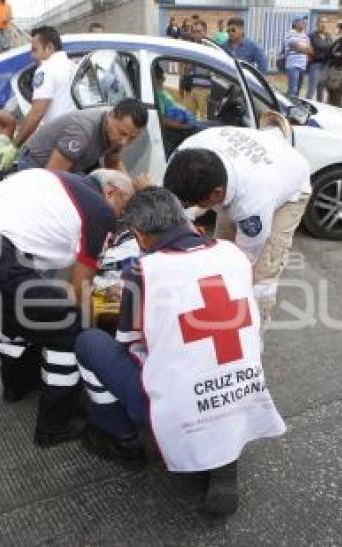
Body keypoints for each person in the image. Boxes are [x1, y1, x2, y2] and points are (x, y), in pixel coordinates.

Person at [74, 187, 286, 516]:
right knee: (209, 359)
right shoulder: (233, 254)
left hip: (181, 405)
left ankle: (123, 438)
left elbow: (130, 345)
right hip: (243, 389)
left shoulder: (142, 273)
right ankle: (222, 460)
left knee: (89, 343)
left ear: (140, 236)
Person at [0, 168, 134, 446]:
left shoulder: (56, 179)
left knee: (15, 316)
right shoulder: (99, 208)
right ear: (112, 192)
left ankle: (18, 385)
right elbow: (80, 289)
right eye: (124, 206)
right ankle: (55, 424)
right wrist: (92, 336)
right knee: (68, 326)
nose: (120, 218)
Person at [164, 126, 312, 321]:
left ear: (217, 194)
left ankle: (252, 333)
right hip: (250, 164)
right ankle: (216, 312)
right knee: (219, 254)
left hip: (290, 184)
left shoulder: (253, 206)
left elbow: (243, 260)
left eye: (195, 202)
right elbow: (170, 206)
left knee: (258, 275)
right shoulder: (184, 155)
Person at [18, 98, 147, 173]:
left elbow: (113, 163)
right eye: (122, 133)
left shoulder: (117, 134)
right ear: (111, 115)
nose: (124, 142)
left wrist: (130, 191)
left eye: (132, 138)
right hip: (35, 164)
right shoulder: (82, 131)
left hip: (71, 167)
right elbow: (53, 176)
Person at [14, 26, 77, 148]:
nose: (32, 55)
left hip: (57, 140)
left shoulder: (45, 70)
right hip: (74, 136)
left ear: (49, 47)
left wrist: (14, 145)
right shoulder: (72, 66)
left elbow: (37, 113)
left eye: (35, 50)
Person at [181, 20, 213, 119]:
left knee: (204, 119)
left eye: (198, 31)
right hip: (190, 89)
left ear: (205, 32)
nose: (196, 34)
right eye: (194, 32)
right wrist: (181, 85)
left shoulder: (211, 48)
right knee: (189, 119)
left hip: (204, 90)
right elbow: (183, 68)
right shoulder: (190, 48)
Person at [283, 17, 312, 97]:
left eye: (303, 22)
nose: (304, 23)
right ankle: (289, 106)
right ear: (295, 24)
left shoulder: (305, 36)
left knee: (298, 89)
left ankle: (295, 105)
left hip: (302, 65)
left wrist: (301, 48)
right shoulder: (290, 33)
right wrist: (304, 48)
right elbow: (296, 46)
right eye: (301, 21)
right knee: (293, 89)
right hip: (293, 64)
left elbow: (310, 50)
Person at [307, 16, 333, 102]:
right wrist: (328, 45)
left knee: (321, 89)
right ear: (317, 24)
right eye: (321, 22)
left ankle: (320, 109)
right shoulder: (312, 35)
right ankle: (307, 107)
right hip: (315, 65)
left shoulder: (328, 35)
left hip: (326, 65)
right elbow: (318, 45)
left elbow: (332, 47)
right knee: (312, 89)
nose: (323, 24)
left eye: (325, 22)